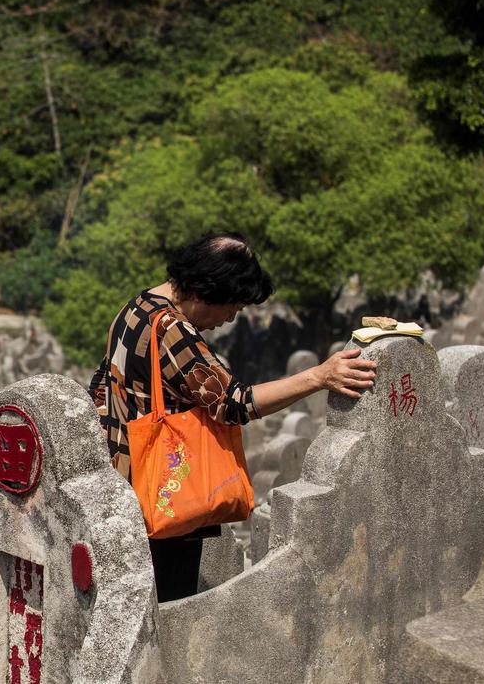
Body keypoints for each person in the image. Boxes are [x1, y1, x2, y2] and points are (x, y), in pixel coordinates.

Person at [94, 232, 376, 602]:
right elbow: (234, 403)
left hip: (124, 479)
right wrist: (318, 376)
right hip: (164, 494)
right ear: (202, 293)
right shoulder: (172, 330)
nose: (229, 319)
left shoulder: (136, 308)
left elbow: (100, 388)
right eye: (232, 307)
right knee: (167, 606)